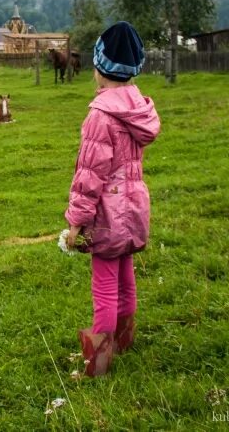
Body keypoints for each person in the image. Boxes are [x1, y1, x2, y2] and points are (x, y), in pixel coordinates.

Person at [65, 21, 161, 377]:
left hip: (109, 211)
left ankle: (98, 363)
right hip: (135, 206)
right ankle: (124, 341)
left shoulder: (100, 115)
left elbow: (89, 176)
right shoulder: (139, 108)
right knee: (126, 277)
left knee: (104, 286)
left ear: (99, 68)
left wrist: (76, 221)